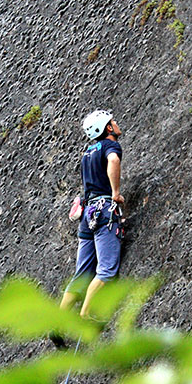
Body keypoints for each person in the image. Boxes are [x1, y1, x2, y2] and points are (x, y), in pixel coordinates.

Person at [54, 109, 124, 344]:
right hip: (104, 210)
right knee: (106, 270)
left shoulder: (87, 152)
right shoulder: (109, 146)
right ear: (107, 128)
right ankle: (85, 314)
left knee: (82, 273)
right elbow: (113, 161)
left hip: (87, 215)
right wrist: (115, 193)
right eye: (112, 121)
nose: (116, 123)